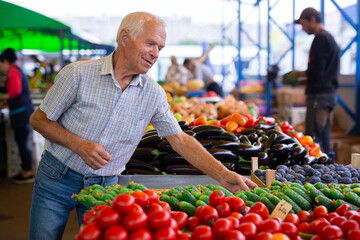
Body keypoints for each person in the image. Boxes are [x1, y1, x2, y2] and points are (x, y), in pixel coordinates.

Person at [29, 12, 257, 239]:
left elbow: (180, 139)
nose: (156, 54)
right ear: (124, 37)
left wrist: (223, 174)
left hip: (105, 185)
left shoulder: (154, 94)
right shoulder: (77, 74)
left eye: (160, 48)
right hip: (57, 175)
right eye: (151, 44)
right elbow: (38, 120)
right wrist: (79, 145)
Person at [293, 7, 340, 154]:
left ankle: (318, 173)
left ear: (312, 19)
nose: (302, 27)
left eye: (303, 23)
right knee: (322, 137)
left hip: (319, 96)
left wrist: (299, 76)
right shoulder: (329, 38)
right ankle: (327, 171)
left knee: (314, 139)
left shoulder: (321, 38)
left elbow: (317, 70)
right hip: (327, 95)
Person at [0, 48, 35, 184]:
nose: (1, 67)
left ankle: (27, 172)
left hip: (21, 112)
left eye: (1, 64)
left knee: (21, 142)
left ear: (6, 61)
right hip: (22, 112)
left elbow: (15, 91)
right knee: (22, 141)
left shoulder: (14, 72)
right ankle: (26, 170)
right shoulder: (17, 70)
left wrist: (2, 97)